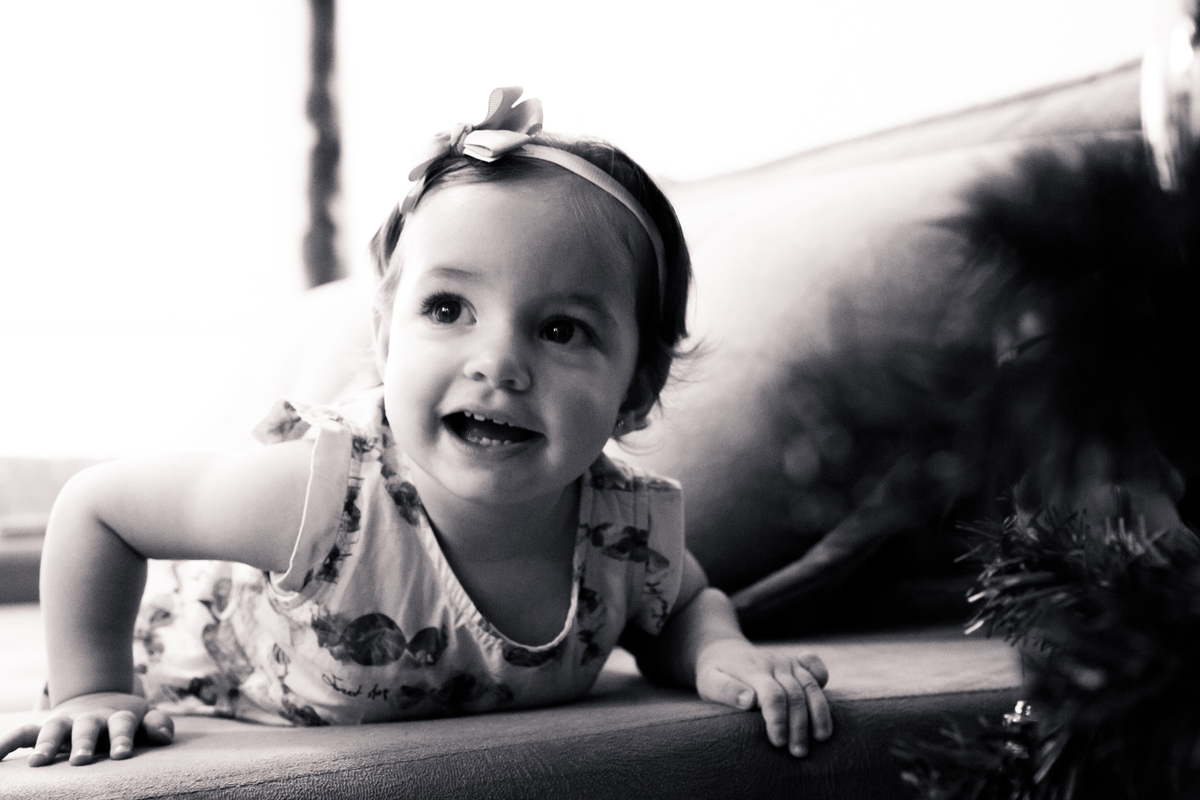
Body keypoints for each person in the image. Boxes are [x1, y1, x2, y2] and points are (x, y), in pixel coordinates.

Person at [0, 88, 832, 767]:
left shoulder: (628, 532)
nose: (498, 363)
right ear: (386, 339)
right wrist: (90, 688)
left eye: (561, 329)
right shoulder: (320, 497)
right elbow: (98, 507)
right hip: (194, 655)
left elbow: (684, 605)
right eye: (447, 309)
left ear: (636, 391)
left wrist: (719, 652)